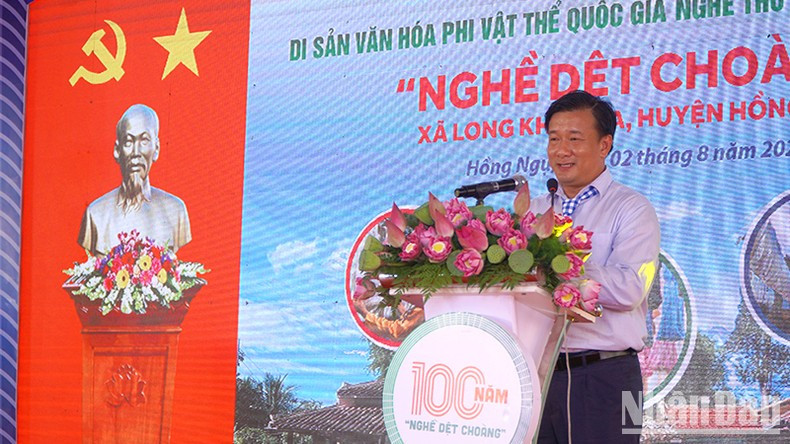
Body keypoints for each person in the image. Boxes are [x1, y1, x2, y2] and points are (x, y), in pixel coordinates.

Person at [531, 90, 661, 443]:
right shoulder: (531, 212)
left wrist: (558, 270)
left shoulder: (632, 209)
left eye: (574, 139)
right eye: (554, 139)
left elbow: (632, 286)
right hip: (535, 375)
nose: (561, 150)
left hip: (607, 376)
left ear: (604, 145)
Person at [78, 104, 191, 256]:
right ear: (118, 151)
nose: (135, 152)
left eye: (144, 141)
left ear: (156, 149)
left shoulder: (175, 211)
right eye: (129, 142)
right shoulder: (96, 214)